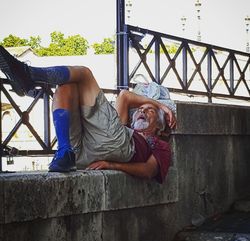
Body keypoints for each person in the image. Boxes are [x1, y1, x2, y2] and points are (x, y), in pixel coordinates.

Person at [0, 45, 176, 183]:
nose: (142, 110)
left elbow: (148, 171)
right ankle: (65, 153)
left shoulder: (160, 144)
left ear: (160, 127)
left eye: (150, 111)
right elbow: (125, 96)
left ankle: (28, 74)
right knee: (66, 86)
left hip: (118, 146)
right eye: (140, 109)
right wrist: (159, 104)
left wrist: (112, 165)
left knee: (84, 73)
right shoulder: (124, 125)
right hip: (82, 154)